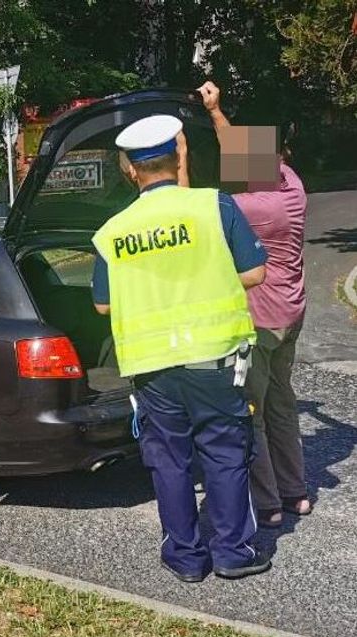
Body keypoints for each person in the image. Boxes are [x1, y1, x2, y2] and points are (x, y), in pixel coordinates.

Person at [91, 114, 271, 582]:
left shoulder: (112, 231)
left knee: (169, 463)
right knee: (226, 453)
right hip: (215, 360)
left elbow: (103, 304)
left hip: (152, 369)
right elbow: (255, 273)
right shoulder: (214, 206)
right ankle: (233, 552)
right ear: (179, 155)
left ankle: (186, 559)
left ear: (130, 169)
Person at [197, 81, 312, 527]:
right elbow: (245, 150)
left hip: (261, 321)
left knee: (254, 412)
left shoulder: (247, 206)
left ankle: (267, 504)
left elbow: (194, 207)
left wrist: (181, 163)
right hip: (292, 313)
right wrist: (216, 110)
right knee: (283, 404)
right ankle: (296, 492)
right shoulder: (292, 186)